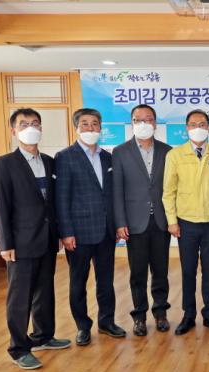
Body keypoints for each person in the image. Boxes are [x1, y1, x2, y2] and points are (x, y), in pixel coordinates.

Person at [0, 108, 71, 370]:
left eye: (35, 123)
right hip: (20, 243)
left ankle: (43, 336)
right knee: (20, 297)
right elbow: (1, 206)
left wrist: (57, 233)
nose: (31, 128)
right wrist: (5, 244)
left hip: (46, 239)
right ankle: (18, 348)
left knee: (44, 291)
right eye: (24, 124)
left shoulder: (48, 161)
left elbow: (53, 203)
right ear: (13, 131)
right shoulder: (4, 164)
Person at [55, 107, 125, 346]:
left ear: (100, 128)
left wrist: (116, 225)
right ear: (76, 128)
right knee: (78, 283)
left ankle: (107, 322)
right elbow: (61, 198)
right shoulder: (65, 157)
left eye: (94, 123)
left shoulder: (108, 157)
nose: (90, 128)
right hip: (78, 233)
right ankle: (82, 327)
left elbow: (112, 195)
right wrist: (66, 232)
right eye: (85, 123)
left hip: (105, 231)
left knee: (106, 281)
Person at [163, 109, 209, 335]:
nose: (197, 128)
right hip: (186, 223)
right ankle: (188, 314)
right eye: (193, 124)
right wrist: (172, 221)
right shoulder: (175, 155)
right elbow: (168, 192)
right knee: (188, 270)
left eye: (202, 124)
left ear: (208, 127)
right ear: (186, 128)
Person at [113, 104, 172, 336]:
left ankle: (161, 312)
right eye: (138, 119)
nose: (144, 123)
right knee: (137, 274)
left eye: (148, 119)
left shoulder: (168, 151)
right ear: (132, 123)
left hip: (161, 221)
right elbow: (117, 190)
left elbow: (172, 189)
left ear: (155, 123)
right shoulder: (120, 152)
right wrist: (120, 222)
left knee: (161, 271)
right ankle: (139, 316)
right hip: (134, 223)